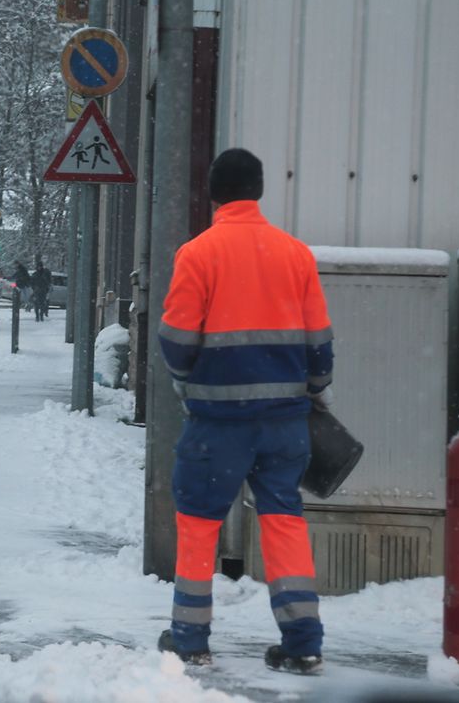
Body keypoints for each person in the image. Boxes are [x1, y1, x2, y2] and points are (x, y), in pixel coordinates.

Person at [156, 149, 333, 674]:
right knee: (283, 521)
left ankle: (190, 636)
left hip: (217, 423)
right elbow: (320, 344)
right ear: (258, 191)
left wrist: (189, 379)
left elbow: (175, 340)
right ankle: (302, 640)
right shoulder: (295, 254)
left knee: (198, 522)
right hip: (284, 421)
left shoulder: (198, 254)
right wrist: (312, 388)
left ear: (213, 193)